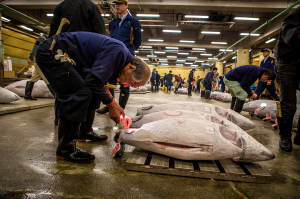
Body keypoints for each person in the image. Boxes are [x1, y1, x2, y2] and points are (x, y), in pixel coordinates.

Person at [36, 32, 150, 163]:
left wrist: (112, 102)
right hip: (52, 52)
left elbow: (98, 83)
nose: (128, 85)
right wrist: (111, 104)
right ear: (131, 67)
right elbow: (93, 81)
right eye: (133, 83)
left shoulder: (120, 61)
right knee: (78, 93)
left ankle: (84, 131)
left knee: (93, 91)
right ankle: (65, 149)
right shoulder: (118, 52)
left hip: (66, 55)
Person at [49, 0, 106, 125]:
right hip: (85, 55)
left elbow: (53, 32)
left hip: (64, 54)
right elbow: (100, 33)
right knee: (89, 88)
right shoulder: (90, 6)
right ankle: (86, 128)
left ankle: (59, 119)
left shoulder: (61, 6)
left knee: (64, 87)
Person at [97, 0, 142, 113]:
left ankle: (120, 108)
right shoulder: (112, 23)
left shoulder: (134, 22)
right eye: (116, 4)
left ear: (126, 5)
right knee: (109, 81)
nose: (117, 6)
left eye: (120, 4)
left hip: (126, 57)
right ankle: (109, 106)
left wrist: (129, 50)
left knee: (125, 82)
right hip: (112, 55)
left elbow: (138, 41)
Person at [274, 6, 300, 152]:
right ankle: (285, 136)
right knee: (288, 103)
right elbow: (292, 36)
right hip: (288, 62)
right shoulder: (297, 14)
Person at [25, 26, 55, 100]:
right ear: (49, 32)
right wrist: (31, 57)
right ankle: (56, 96)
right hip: (40, 62)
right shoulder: (42, 38)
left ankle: (27, 95)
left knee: (33, 78)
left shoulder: (47, 39)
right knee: (47, 78)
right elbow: (35, 48)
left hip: (39, 62)